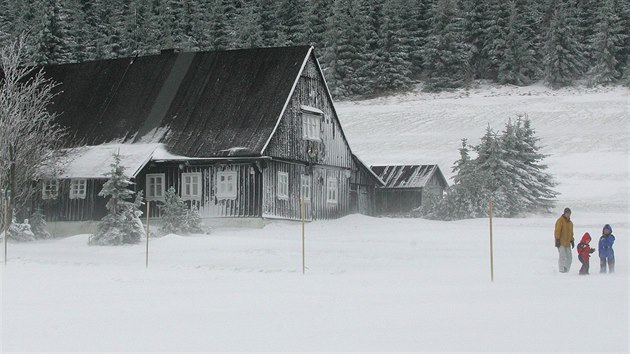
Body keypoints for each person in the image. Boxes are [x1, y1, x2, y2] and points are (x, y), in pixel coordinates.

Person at [554, 207, 574, 273]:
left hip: (567, 243)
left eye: (569, 213)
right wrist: (557, 239)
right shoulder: (560, 221)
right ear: (564, 213)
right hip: (561, 242)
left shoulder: (570, 223)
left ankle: (566, 269)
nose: (568, 215)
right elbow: (557, 231)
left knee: (569, 257)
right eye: (567, 213)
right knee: (562, 256)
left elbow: (571, 233)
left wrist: (572, 240)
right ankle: (561, 270)